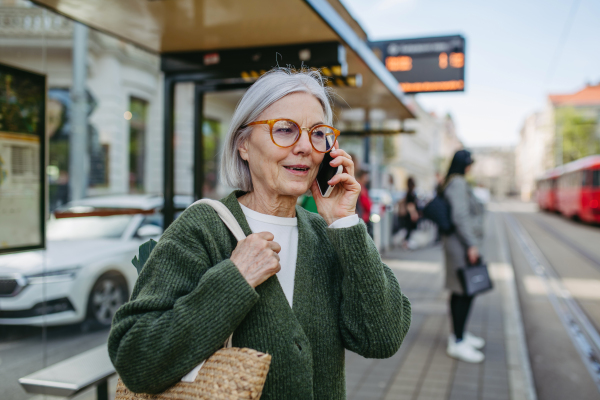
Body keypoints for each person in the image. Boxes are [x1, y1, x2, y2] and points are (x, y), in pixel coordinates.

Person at [108, 68, 411, 399]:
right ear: (244, 146)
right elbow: (135, 359)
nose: (305, 148)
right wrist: (234, 280)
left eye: (318, 133)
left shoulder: (328, 237)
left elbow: (382, 337)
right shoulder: (204, 228)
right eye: (285, 130)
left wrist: (346, 224)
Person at [442, 149, 486, 363]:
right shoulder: (458, 183)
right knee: (463, 292)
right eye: (470, 163)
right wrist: (472, 245)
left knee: (462, 291)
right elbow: (460, 215)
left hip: (459, 244)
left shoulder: (453, 181)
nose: (471, 167)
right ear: (464, 165)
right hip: (460, 245)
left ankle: (460, 335)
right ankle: (457, 341)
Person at [401, 176, 419, 248]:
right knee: (409, 229)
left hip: (408, 214)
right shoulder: (411, 193)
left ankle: (406, 243)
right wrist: (413, 214)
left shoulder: (408, 192)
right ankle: (406, 243)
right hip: (410, 214)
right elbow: (410, 205)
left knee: (409, 229)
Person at [355, 169, 373, 237]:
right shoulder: (360, 187)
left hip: (364, 216)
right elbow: (365, 203)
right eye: (365, 176)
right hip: (362, 216)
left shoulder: (362, 187)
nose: (367, 178)